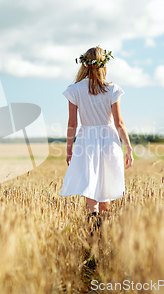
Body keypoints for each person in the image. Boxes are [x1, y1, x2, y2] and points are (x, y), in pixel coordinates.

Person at [59, 46, 133, 222]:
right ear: (104, 64)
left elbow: (72, 123)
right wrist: (129, 147)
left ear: (84, 64)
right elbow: (119, 123)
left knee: (90, 183)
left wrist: (69, 148)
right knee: (106, 184)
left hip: (86, 139)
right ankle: (104, 234)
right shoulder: (112, 89)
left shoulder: (75, 90)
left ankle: (92, 228)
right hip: (109, 139)